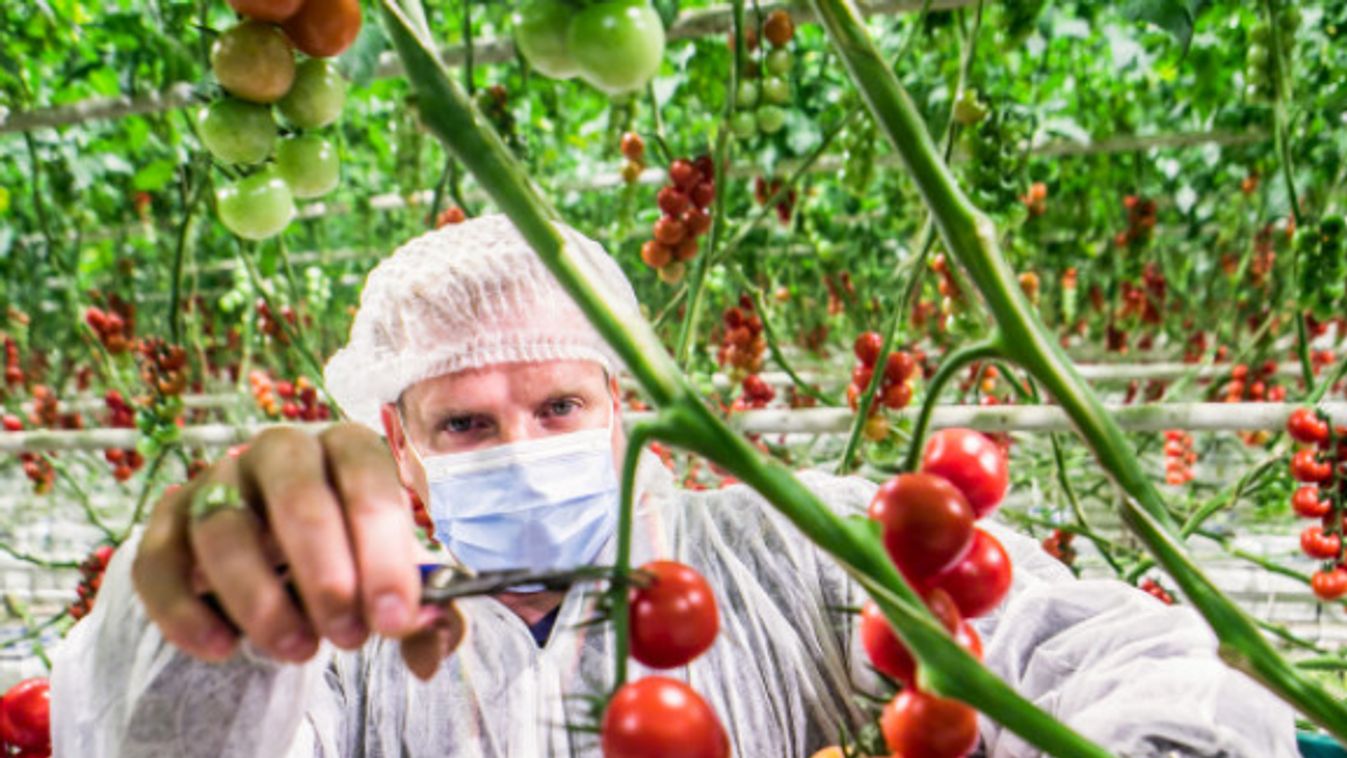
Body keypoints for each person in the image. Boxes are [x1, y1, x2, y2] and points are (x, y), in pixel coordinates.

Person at [51, 215, 1297, 757]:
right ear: (399, 438)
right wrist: (206, 626)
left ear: (627, 404)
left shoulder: (799, 551)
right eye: (467, 421)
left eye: (558, 408)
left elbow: (1108, 655)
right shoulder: (354, 637)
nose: (521, 442)